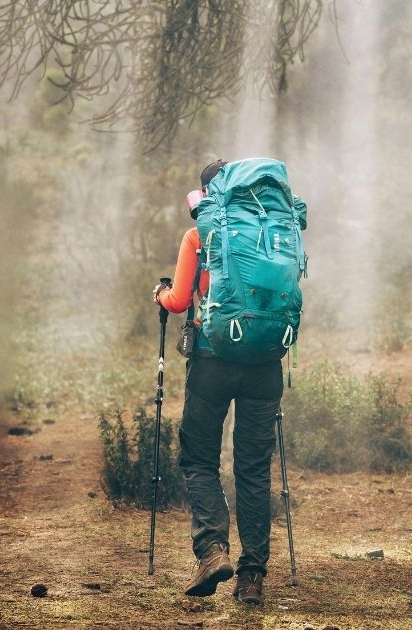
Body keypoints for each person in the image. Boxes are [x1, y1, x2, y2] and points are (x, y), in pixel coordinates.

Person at [151, 159, 284, 605]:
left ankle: (212, 552)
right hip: (266, 364)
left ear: (207, 195)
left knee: (200, 461)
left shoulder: (199, 234)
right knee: (251, 471)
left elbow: (178, 301)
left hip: (212, 361)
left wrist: (160, 293)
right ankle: (252, 580)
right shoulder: (272, 233)